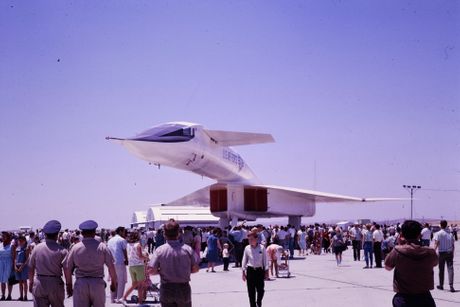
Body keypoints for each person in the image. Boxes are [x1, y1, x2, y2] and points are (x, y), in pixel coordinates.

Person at [64, 220, 117, 307]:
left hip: (81, 283)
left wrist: (69, 285)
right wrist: (114, 283)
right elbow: (111, 267)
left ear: (82, 233)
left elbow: (67, 268)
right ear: (94, 233)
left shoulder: (75, 248)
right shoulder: (102, 247)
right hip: (97, 283)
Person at [385, 220, 438, 307]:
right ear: (419, 235)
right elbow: (435, 263)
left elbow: (388, 267)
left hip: (404, 298)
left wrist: (400, 244)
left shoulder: (397, 251)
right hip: (424, 298)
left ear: (402, 235)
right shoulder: (430, 252)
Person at [148, 219, 199, 307]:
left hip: (166, 288)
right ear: (178, 233)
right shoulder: (187, 249)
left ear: (164, 234)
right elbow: (196, 269)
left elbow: (151, 270)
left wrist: (161, 271)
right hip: (183, 288)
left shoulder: (160, 250)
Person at [28, 220, 68, 307]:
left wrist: (31, 283)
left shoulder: (36, 248)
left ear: (45, 234)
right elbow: (67, 270)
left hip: (39, 282)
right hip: (55, 283)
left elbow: (31, 267)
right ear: (57, 235)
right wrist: (69, 285)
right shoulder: (62, 251)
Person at [242, 230, 268, 307]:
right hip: (250, 271)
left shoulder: (262, 248)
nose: (250, 241)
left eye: (251, 239)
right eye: (249, 240)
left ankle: (258, 301)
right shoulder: (247, 248)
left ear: (256, 239)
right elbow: (244, 260)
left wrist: (266, 271)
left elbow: (265, 260)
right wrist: (243, 272)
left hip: (259, 271)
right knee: (251, 292)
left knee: (261, 290)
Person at [121, 231, 149, 304]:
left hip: (131, 266)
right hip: (139, 266)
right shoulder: (138, 245)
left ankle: (123, 297)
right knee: (140, 286)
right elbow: (140, 256)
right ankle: (140, 302)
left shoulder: (128, 245)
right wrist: (146, 258)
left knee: (134, 284)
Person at [107, 226, 128, 303]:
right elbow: (124, 251)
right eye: (123, 231)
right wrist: (126, 260)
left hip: (111, 263)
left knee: (114, 280)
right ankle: (119, 298)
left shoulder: (110, 240)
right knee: (121, 281)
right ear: (120, 231)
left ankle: (113, 298)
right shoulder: (122, 240)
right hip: (119, 262)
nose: (124, 233)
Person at [434, 220, 455, 292]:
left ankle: (441, 285)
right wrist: (453, 253)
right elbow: (453, 245)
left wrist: (433, 251)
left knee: (441, 269)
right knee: (450, 269)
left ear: (440, 225)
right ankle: (451, 285)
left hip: (442, 253)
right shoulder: (450, 234)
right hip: (449, 252)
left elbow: (436, 243)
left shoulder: (438, 234)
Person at [13, 235, 30, 301]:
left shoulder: (26, 248)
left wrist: (22, 266)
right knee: (20, 282)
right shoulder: (17, 248)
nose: (20, 242)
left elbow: (27, 259)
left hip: (24, 266)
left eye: (21, 240)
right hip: (17, 266)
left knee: (24, 281)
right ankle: (21, 296)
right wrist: (15, 266)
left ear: (24, 241)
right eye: (19, 240)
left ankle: (25, 296)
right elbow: (15, 258)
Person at [0, 232, 13, 301]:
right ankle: (3, 295)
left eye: (4, 236)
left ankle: (9, 295)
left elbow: (14, 256)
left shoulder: (11, 245)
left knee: (9, 280)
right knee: (2, 280)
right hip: (1, 263)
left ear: (8, 237)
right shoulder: (0, 245)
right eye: (2, 236)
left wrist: (14, 265)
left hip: (9, 263)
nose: (3, 237)